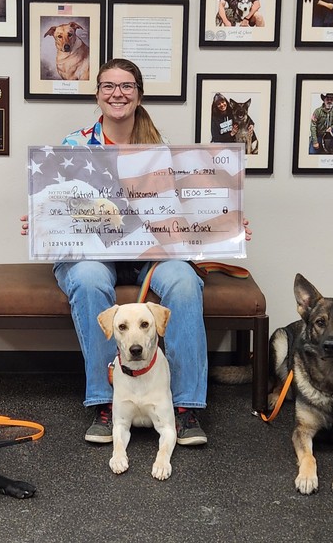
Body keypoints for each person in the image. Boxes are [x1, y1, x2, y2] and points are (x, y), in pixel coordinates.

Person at [20, 58, 252, 447]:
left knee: (182, 280)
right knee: (89, 280)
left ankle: (185, 406)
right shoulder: (74, 147)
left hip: (148, 254)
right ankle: (105, 401)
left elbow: (189, 209)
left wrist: (227, 228)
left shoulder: (162, 151)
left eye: (126, 86)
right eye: (109, 86)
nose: (117, 93)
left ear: (139, 94)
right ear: (97, 94)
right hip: (92, 254)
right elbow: (59, 204)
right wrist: (40, 221)